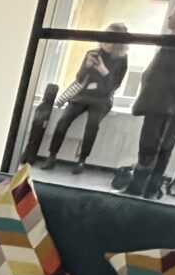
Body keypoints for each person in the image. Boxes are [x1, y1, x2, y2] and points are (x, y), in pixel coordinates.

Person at [120, 0, 175, 200]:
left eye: (174, 13)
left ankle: (137, 187)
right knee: (165, 149)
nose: (169, 17)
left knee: (149, 147)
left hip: (162, 104)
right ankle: (153, 189)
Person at [37, 26, 129, 173]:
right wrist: (87, 66)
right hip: (82, 96)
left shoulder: (122, 59)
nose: (106, 43)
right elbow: (79, 78)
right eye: (105, 39)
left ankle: (82, 160)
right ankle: (52, 156)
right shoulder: (93, 53)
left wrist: (103, 70)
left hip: (102, 98)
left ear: (118, 43)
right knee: (63, 121)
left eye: (111, 40)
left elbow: (114, 86)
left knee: (92, 125)